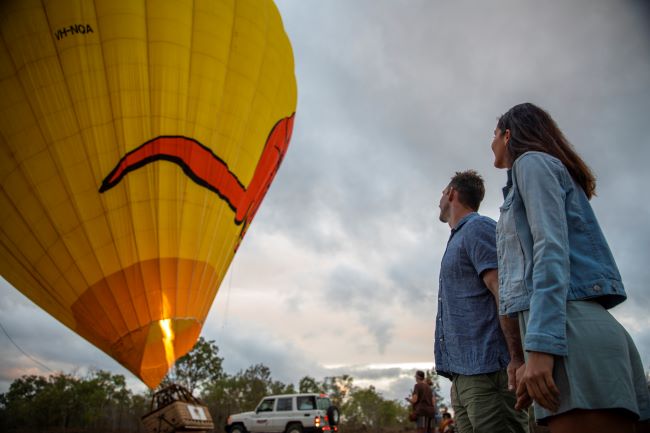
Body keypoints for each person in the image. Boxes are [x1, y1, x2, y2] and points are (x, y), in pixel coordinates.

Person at [490, 102, 650, 433]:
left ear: (507, 135)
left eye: (493, 134)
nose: (490, 143)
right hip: (561, 333)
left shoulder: (531, 163)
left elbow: (550, 249)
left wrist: (542, 347)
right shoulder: (525, 178)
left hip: (568, 333)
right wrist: (519, 358)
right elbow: (515, 283)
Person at [435, 170, 529, 433]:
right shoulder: (458, 238)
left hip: (489, 372)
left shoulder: (478, 228)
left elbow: (503, 290)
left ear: (452, 193)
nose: (439, 199)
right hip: (463, 375)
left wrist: (517, 358)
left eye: (442, 192)